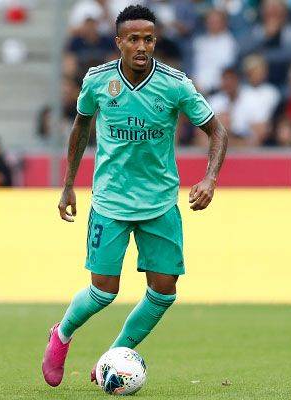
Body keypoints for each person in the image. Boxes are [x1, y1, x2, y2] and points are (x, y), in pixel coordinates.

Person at [42, 5, 228, 388]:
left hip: (159, 203)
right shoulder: (98, 81)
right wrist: (68, 184)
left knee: (164, 291)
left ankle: (112, 356)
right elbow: (80, 128)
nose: (141, 46)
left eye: (148, 39)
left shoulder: (175, 85)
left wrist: (210, 178)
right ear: (119, 42)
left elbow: (217, 132)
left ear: (155, 42)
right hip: (110, 202)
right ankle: (61, 334)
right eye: (133, 39)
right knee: (103, 291)